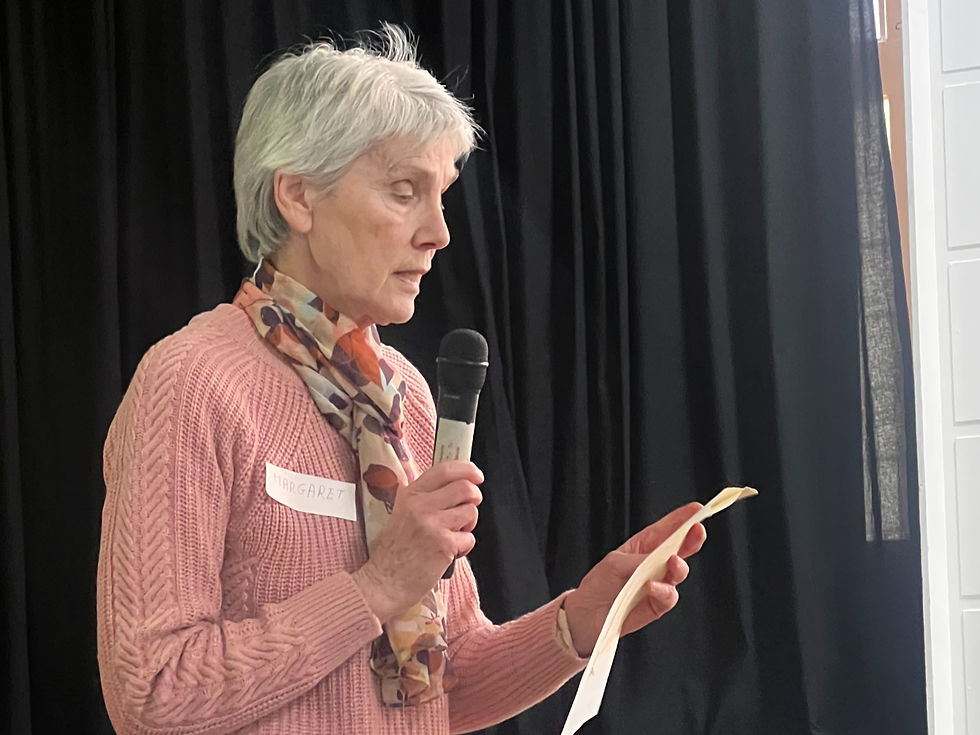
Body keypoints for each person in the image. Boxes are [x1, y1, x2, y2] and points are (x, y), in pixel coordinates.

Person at [96, 24, 706, 735]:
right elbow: (153, 693)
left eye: (442, 194)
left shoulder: (404, 397)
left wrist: (578, 620)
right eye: (404, 191)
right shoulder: (191, 382)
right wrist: (377, 586)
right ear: (297, 196)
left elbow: (438, 685)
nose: (439, 232)